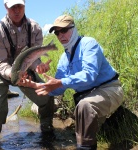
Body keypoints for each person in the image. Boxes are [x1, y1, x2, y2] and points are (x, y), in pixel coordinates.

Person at [18, 14, 124, 150]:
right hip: (90, 97)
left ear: (74, 28)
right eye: (57, 32)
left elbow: (89, 75)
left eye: (64, 30)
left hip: (110, 89)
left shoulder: (88, 44)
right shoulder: (63, 58)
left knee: (84, 107)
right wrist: (34, 85)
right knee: (85, 119)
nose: (60, 35)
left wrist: (61, 82)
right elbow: (56, 89)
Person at [0, 0, 54, 148]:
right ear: (5, 7)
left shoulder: (35, 28)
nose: (16, 10)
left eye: (19, 6)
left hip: (24, 69)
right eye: (12, 7)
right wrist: (15, 75)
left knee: (46, 97)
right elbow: (1, 63)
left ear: (24, 5)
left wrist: (38, 67)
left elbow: (34, 58)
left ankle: (47, 133)